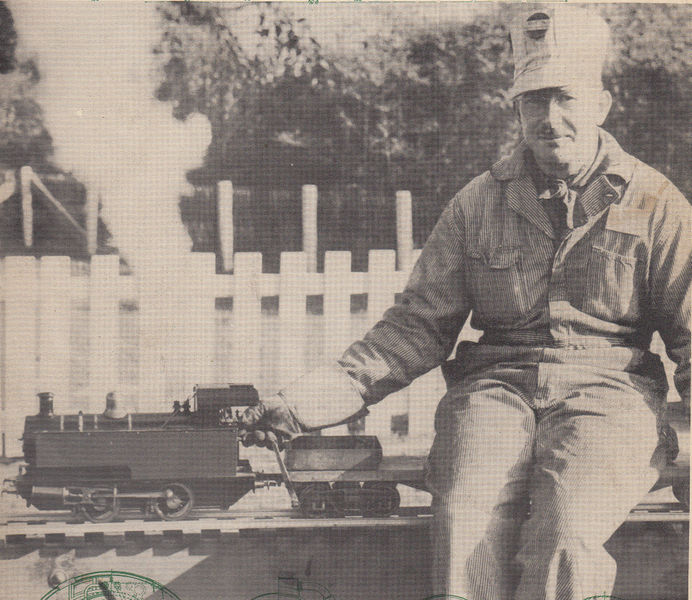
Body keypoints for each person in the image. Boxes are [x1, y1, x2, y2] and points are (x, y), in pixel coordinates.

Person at [240, 6, 691, 600]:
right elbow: (416, 327)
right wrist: (303, 404)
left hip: (611, 396)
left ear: (601, 104)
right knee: (464, 514)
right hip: (495, 389)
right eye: (533, 101)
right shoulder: (477, 204)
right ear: (516, 111)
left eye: (566, 98)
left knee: (567, 529)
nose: (550, 119)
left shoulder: (655, 203)